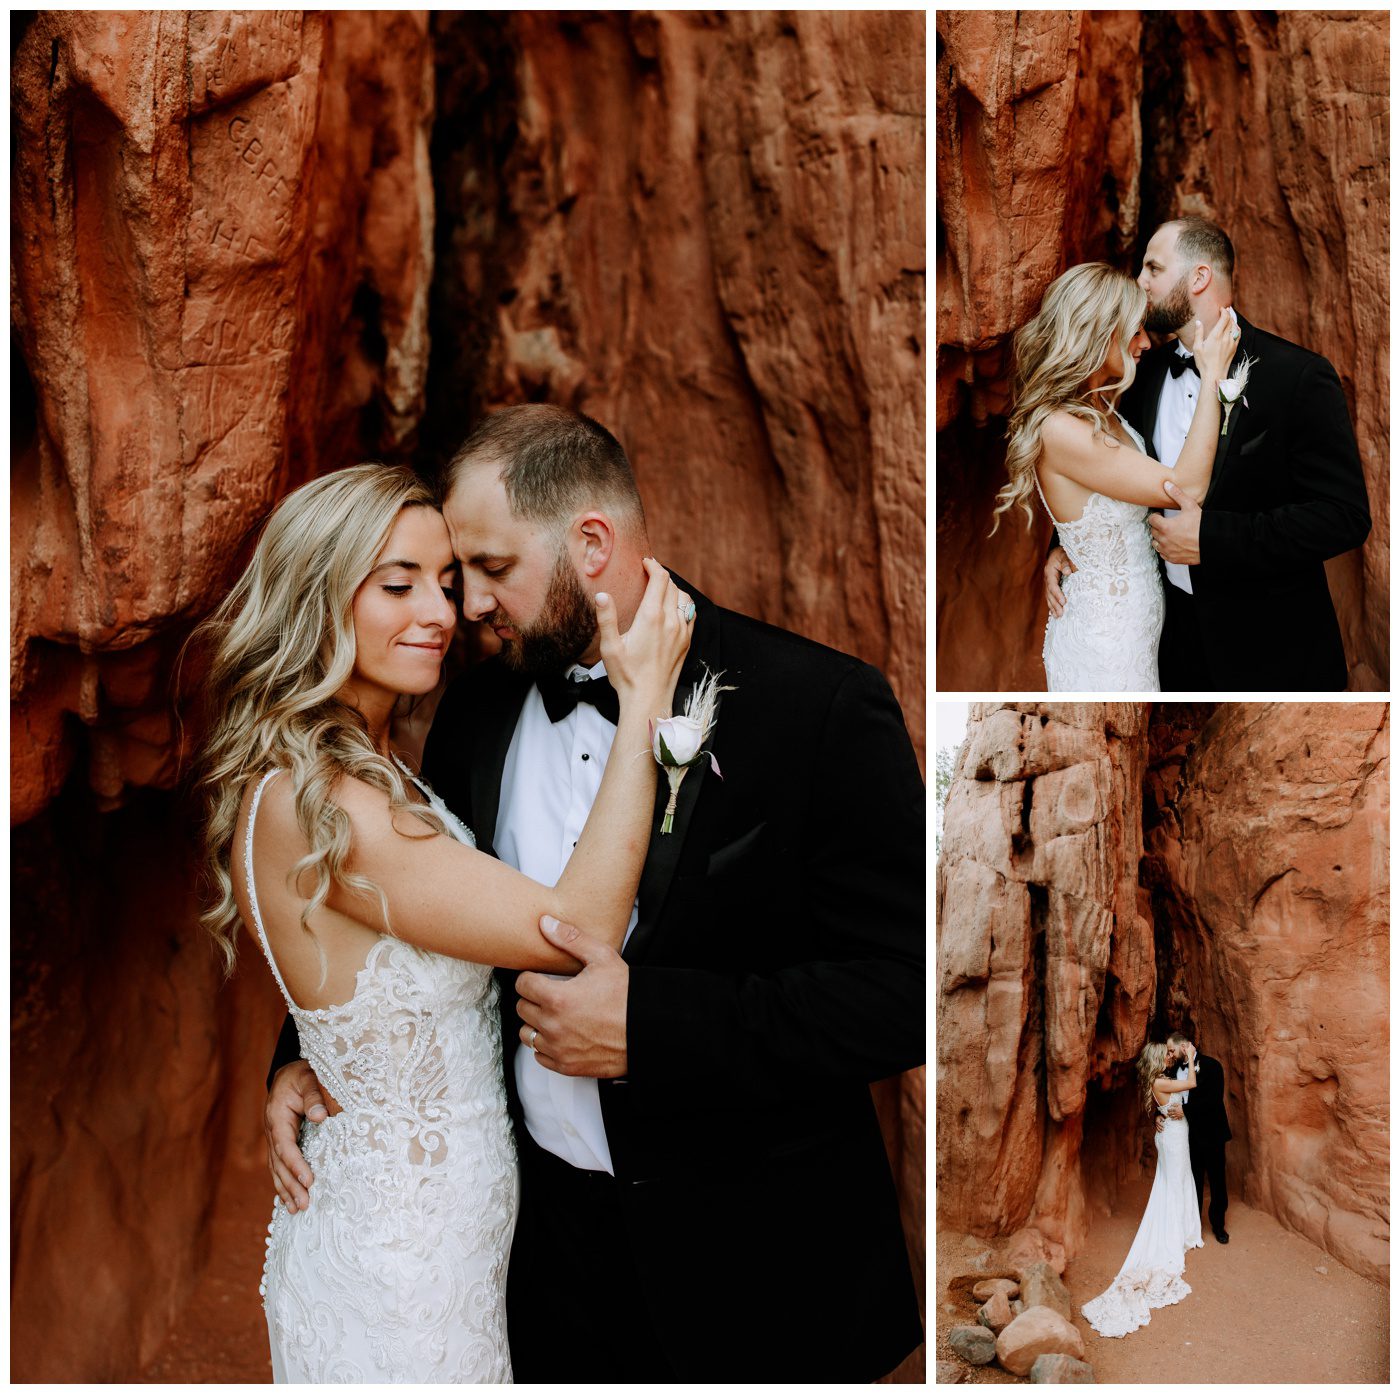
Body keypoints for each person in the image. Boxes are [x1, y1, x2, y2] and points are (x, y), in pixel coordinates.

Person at [265, 406, 926, 1382]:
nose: (463, 607)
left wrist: (651, 1023)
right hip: (539, 1260)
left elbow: (903, 991)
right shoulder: (477, 702)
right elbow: (412, 907)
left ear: (590, 542)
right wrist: (310, 1051)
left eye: (486, 569)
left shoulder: (815, 706)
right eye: (450, 576)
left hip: (755, 1266)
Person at [194, 462, 692, 1382]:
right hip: (400, 1261)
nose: (443, 611)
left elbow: (371, 975)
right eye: (398, 584)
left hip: (454, 1243)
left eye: (448, 582)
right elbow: (573, 924)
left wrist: (317, 1057)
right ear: (317, 592)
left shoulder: (384, 768)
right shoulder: (318, 802)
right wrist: (644, 707)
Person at [1045, 217, 1371, 690]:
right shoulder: (1141, 374)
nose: (1140, 282)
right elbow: (1101, 467)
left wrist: (1214, 538)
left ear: (1198, 277)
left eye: (1153, 268)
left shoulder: (1296, 376)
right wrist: (1067, 542)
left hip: (1272, 651)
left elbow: (1344, 516)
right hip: (1168, 647)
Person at [993, 260, 1238, 691]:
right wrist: (1213, 374)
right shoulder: (1059, 428)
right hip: (1106, 640)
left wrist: (1066, 546)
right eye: (1135, 329)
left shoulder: (1104, 408)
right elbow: (1188, 487)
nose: (1145, 342)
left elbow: (1102, 503)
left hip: (1138, 631)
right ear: (1097, 330)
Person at [1082, 1038, 1203, 1338]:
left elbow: (1178, 1102)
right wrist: (1191, 1057)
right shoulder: (1162, 1082)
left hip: (1173, 1135)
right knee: (1173, 1188)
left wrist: (1160, 1117)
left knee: (1175, 1184)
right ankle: (1172, 1239)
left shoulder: (1160, 1081)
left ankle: (1185, 1231)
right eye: (1166, 1054)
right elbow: (1191, 1085)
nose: (1169, 1057)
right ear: (1157, 1060)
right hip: (1173, 1140)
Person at [1160, 1028, 1232, 1242]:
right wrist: (1158, 1114)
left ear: (1185, 1046)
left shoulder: (1212, 1066)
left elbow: (1213, 1100)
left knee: (1218, 1181)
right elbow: (1165, 1097)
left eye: (1172, 1050)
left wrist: (1186, 1111)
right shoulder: (1172, 1072)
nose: (1170, 1055)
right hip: (1186, 1136)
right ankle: (1194, 1226)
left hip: (1212, 1134)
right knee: (1193, 1181)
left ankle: (1218, 1225)